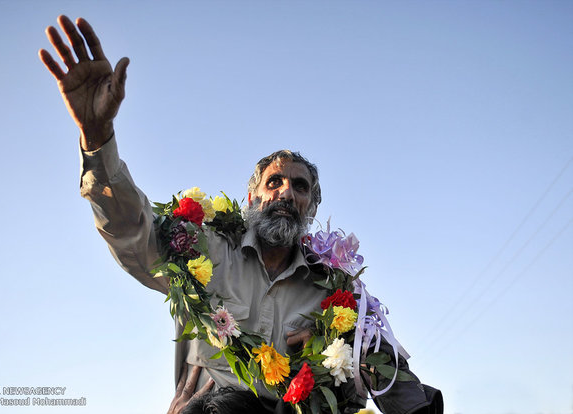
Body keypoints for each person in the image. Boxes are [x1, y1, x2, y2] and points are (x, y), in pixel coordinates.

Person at [40, 15, 442, 414]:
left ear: (312, 208)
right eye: (275, 182)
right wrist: (97, 139)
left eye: (300, 187)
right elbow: (133, 231)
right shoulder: (202, 250)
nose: (287, 191)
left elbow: (387, 373)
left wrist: (348, 356)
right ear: (251, 198)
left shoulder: (335, 295)